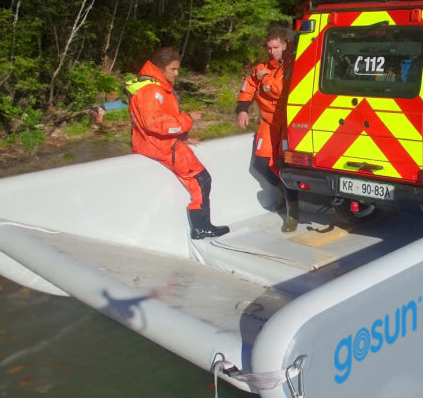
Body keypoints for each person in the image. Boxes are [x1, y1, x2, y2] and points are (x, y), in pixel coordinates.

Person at [128, 47, 229, 239]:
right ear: (161, 68)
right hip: (162, 147)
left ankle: (203, 226)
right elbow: (154, 124)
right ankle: (201, 228)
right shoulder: (151, 91)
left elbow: (162, 119)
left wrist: (183, 136)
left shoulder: (155, 88)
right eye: (173, 69)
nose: (176, 73)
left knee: (201, 179)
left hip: (161, 143)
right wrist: (187, 119)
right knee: (201, 179)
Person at [236, 25, 299, 232]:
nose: (272, 52)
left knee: (284, 165)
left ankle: (293, 214)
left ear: (285, 45)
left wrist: (265, 78)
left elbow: (279, 91)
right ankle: (282, 192)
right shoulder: (263, 67)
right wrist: (242, 109)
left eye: (276, 47)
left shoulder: (293, 66)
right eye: (269, 48)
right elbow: (249, 86)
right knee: (261, 164)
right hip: (268, 122)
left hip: (287, 124)